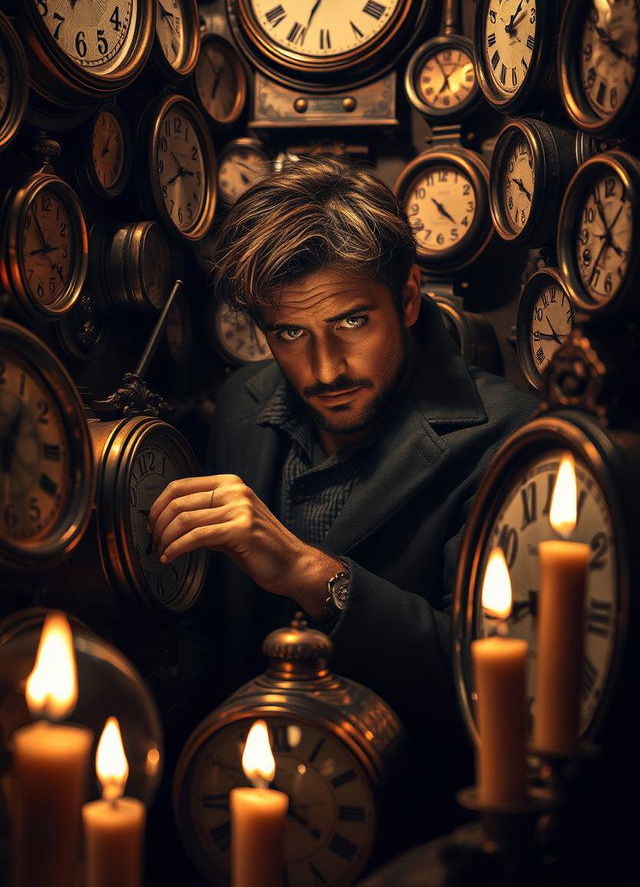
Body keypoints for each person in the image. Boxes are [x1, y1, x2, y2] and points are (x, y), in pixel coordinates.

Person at [148, 155, 538, 845]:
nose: (323, 369)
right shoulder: (243, 402)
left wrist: (310, 574)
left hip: (411, 835)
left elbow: (500, 684)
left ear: (410, 297)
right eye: (290, 334)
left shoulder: (510, 436)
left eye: (353, 322)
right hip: (235, 818)